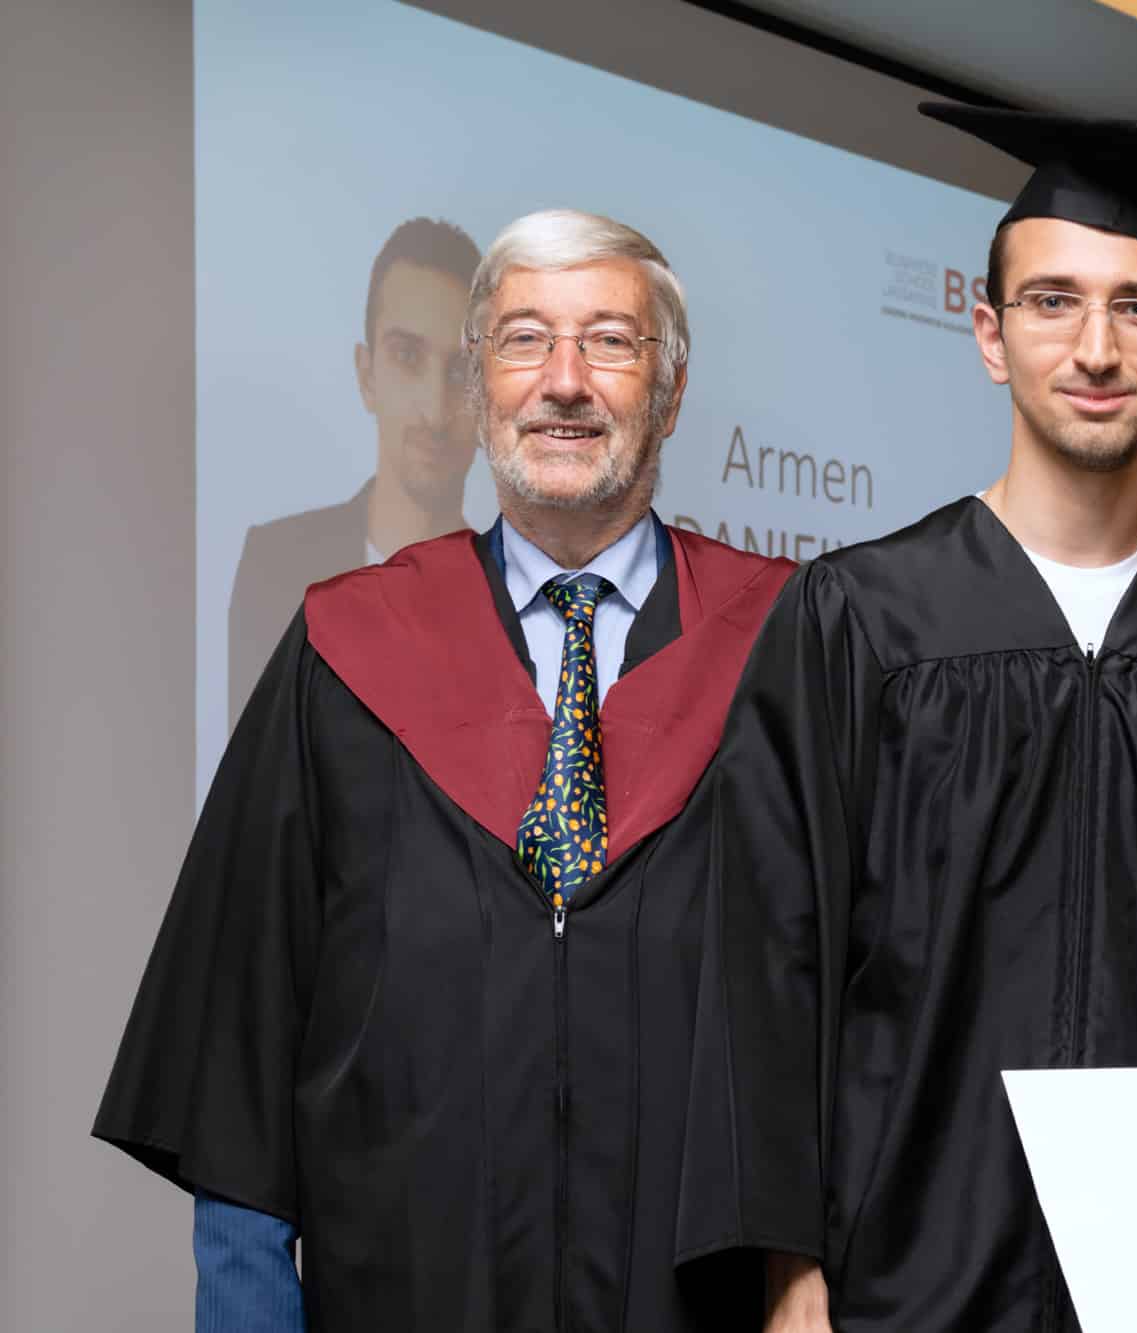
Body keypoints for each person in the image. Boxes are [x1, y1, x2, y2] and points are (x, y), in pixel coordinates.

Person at [673, 104, 1137, 1333]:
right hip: (905, 1268)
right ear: (989, 333)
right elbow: (769, 958)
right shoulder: (860, 617)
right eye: (1051, 302)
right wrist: (788, 1266)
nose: (1095, 347)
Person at [95, 209, 791, 1332]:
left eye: (610, 341)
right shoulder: (345, 649)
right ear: (478, 389)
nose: (563, 381)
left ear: (669, 391)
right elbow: (240, 1052)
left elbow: (851, 1039)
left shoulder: (785, 651)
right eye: (524, 340)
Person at [226, 216, 483, 726]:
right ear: (367, 377)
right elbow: (251, 769)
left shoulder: (520, 600)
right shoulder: (275, 568)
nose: (434, 408)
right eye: (407, 356)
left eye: (459, 371)